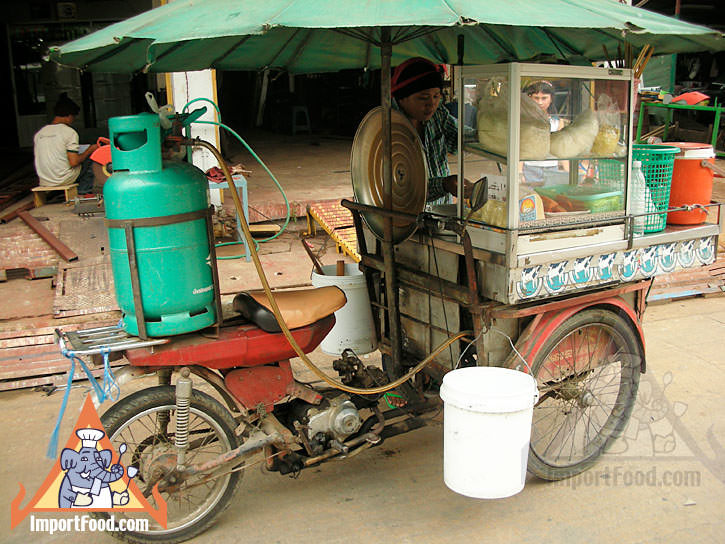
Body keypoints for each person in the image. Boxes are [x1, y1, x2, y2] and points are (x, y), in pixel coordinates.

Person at [392, 57, 473, 206]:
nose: (431, 104)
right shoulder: (388, 128)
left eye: (436, 96)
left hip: (441, 210)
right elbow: (401, 189)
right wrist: (444, 184)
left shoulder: (437, 115)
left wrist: (489, 133)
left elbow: (460, 138)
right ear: (401, 98)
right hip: (406, 218)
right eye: (423, 98)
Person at [34, 93, 98, 195]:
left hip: (45, 180)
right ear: (69, 116)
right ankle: (83, 190)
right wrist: (91, 149)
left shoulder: (40, 133)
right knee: (93, 154)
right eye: (74, 117)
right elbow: (74, 162)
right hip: (63, 179)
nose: (73, 120)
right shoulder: (69, 132)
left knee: (78, 151)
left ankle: (55, 192)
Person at [521, 80, 565, 185]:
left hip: (552, 168)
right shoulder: (523, 121)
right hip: (530, 168)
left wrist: (567, 171)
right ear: (530, 98)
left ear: (551, 99)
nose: (540, 102)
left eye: (544, 98)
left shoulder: (558, 122)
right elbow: (520, 148)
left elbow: (562, 149)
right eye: (536, 98)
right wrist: (519, 172)